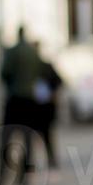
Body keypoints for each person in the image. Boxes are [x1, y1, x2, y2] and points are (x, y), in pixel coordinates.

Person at [0, 25, 42, 185]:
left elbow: (4, 73)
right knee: (28, 139)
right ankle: (26, 176)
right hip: (30, 100)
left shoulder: (12, 51)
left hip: (15, 98)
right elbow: (40, 73)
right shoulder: (33, 53)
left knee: (6, 139)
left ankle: (1, 176)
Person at [32, 41, 63, 175]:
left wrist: (53, 95)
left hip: (44, 108)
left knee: (46, 136)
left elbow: (59, 81)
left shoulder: (45, 66)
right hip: (35, 108)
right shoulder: (30, 69)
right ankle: (33, 164)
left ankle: (51, 161)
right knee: (35, 137)